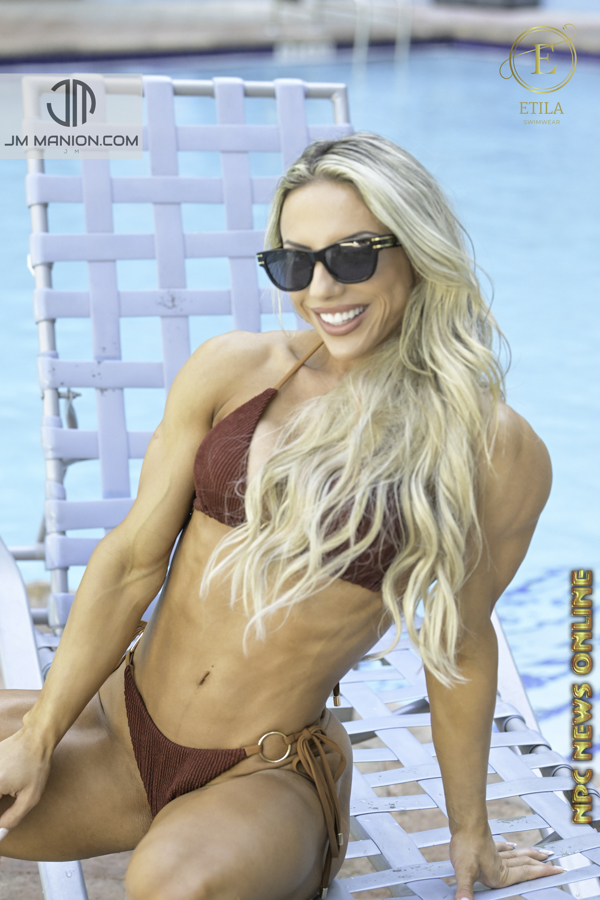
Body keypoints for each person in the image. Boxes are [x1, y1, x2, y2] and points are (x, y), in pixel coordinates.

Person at [0, 132, 560, 900]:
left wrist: (472, 834)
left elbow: (457, 645)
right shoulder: (235, 370)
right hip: (118, 726)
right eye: (295, 263)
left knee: (168, 885)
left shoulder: (491, 449)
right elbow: (132, 561)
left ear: (416, 249)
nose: (321, 289)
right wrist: (38, 738)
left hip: (263, 771)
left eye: (351, 257)